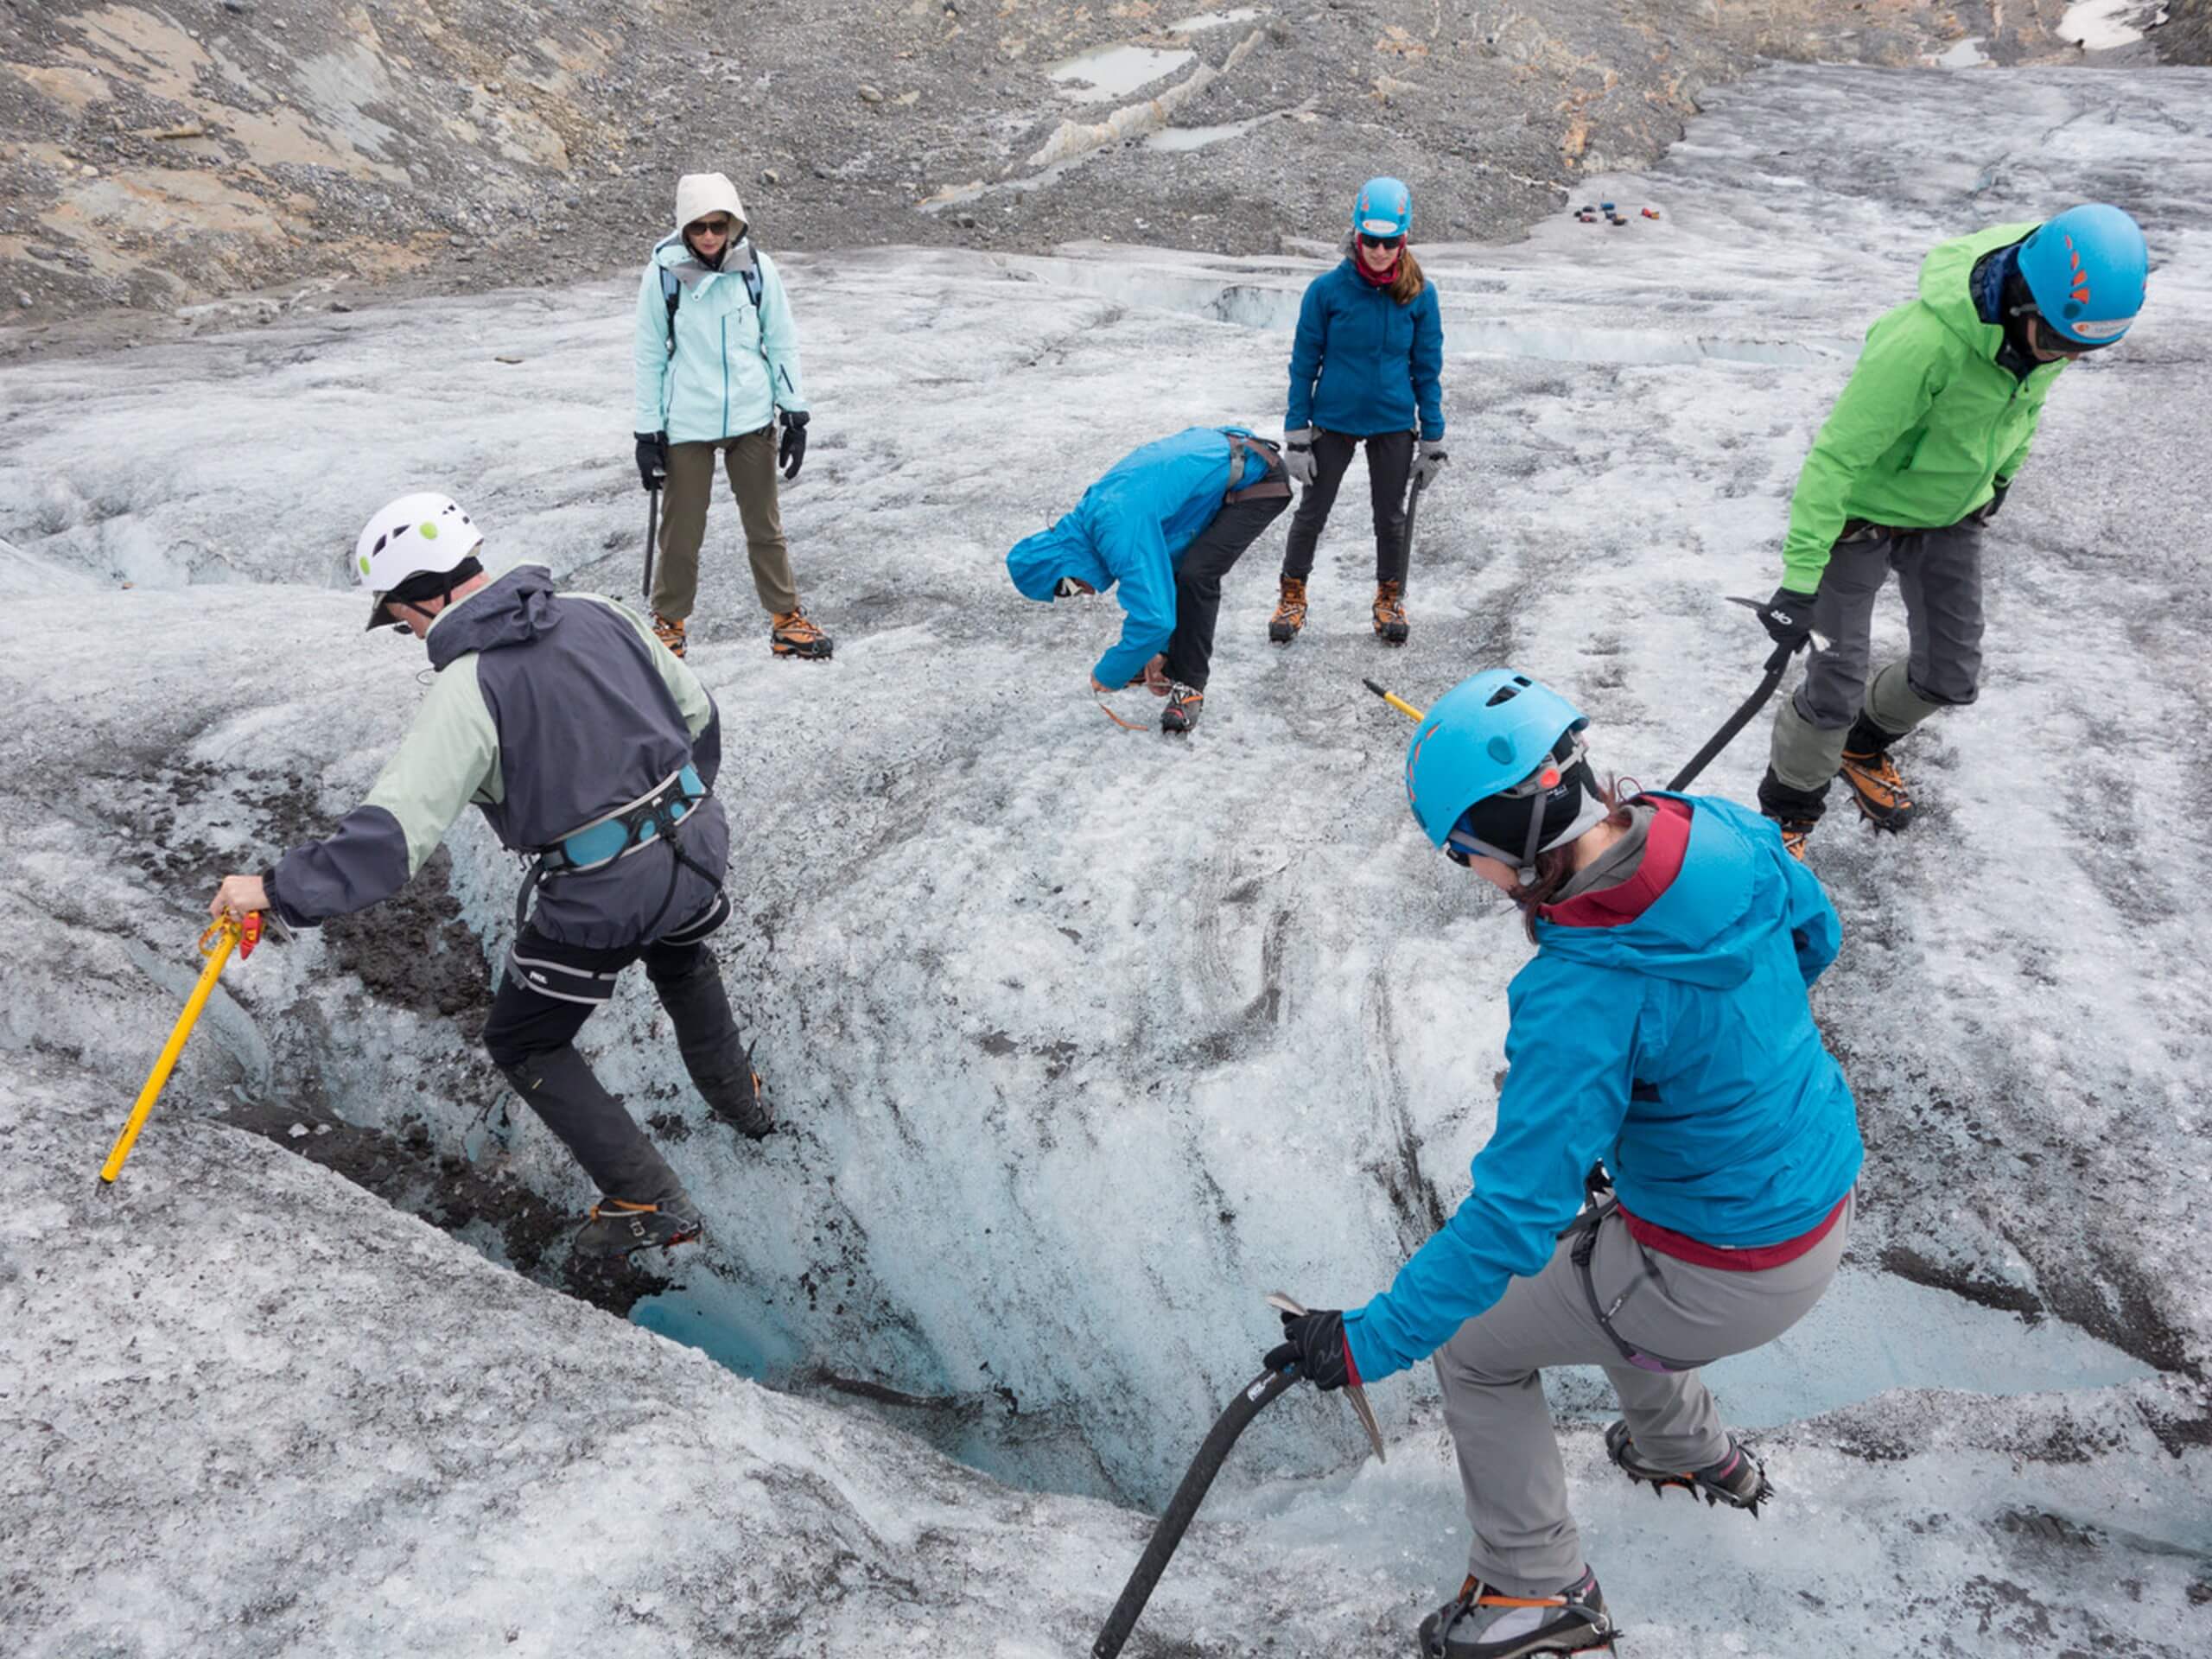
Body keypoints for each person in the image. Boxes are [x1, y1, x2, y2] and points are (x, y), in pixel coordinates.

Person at [1266, 669, 1862, 1658]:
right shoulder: (1714, 829)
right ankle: (1687, 1451)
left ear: (1505, 837)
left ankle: (1534, 1590)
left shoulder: (1584, 996)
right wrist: (1688, 1089)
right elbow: (1814, 939)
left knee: (1477, 1347)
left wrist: (1371, 1342)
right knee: (1598, 1258)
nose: (1473, 877)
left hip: (1722, 1272)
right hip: (1813, 1191)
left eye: (1466, 856)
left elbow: (1511, 1216)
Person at [207, 493, 772, 1259]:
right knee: (678, 948)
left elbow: (392, 836)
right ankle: (745, 1106)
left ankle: (649, 1202)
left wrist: (273, 890)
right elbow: (698, 712)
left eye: (398, 614)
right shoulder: (596, 609)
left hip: (604, 890)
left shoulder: (468, 686)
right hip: (698, 851)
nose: (406, 630)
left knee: (524, 1040)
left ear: (425, 596)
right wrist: (679, 814)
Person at [1753, 203, 2149, 857]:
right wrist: (1799, 582)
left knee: (1951, 672)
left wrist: (2000, 480)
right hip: (1859, 521)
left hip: (1950, 516)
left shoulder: (2052, 328)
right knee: (1836, 679)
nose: (2065, 359)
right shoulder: (1922, 344)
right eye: (2058, 344)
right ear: (2023, 299)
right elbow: (1835, 458)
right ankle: (1787, 813)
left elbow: (2024, 409)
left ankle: (1864, 745)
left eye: (2082, 351)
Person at [631, 170, 832, 663]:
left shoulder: (757, 270)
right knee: (681, 534)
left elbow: (780, 340)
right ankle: (669, 625)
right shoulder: (663, 275)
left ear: (733, 224)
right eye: (698, 227)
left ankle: (786, 621)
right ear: (684, 228)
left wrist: (795, 413)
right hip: (688, 424)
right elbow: (649, 353)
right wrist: (647, 429)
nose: (708, 236)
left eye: (717, 226)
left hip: (751, 418)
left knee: (765, 526)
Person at [1006, 425, 1291, 735]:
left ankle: (1190, 687)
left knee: (1197, 575)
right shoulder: (1095, 517)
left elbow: (1154, 619)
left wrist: (1112, 672)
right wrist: (1158, 653)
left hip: (1258, 481)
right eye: (1067, 596)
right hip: (1230, 466)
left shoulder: (1114, 526)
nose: (1080, 593)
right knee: (1173, 567)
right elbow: (1159, 577)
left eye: (1067, 587)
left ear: (1062, 562)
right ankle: (1166, 664)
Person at [1269, 175, 1447, 648]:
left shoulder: (1419, 295)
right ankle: (1292, 597)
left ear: (1403, 239)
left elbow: (1426, 370)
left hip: (1393, 422)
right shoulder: (1326, 292)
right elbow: (1304, 365)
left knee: (1390, 517)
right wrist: (1297, 436)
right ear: (1356, 234)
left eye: (1390, 242)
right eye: (1371, 240)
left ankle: (1389, 600)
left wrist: (1432, 439)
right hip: (1334, 421)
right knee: (1313, 513)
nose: (1380, 251)